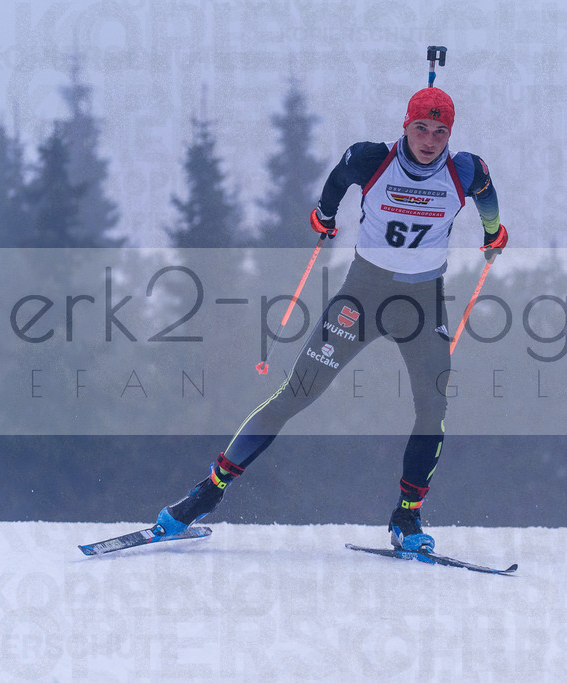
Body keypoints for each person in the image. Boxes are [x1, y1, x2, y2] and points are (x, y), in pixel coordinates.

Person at [153, 86, 508, 553]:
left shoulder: (465, 169)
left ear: (450, 134)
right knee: (297, 392)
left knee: (433, 408)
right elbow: (337, 182)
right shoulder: (371, 159)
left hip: (421, 305)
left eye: (440, 131)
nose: (429, 139)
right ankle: (206, 493)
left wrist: (492, 231)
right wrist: (324, 214)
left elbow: (486, 194)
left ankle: (408, 517)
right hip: (362, 295)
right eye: (421, 127)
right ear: (405, 125)